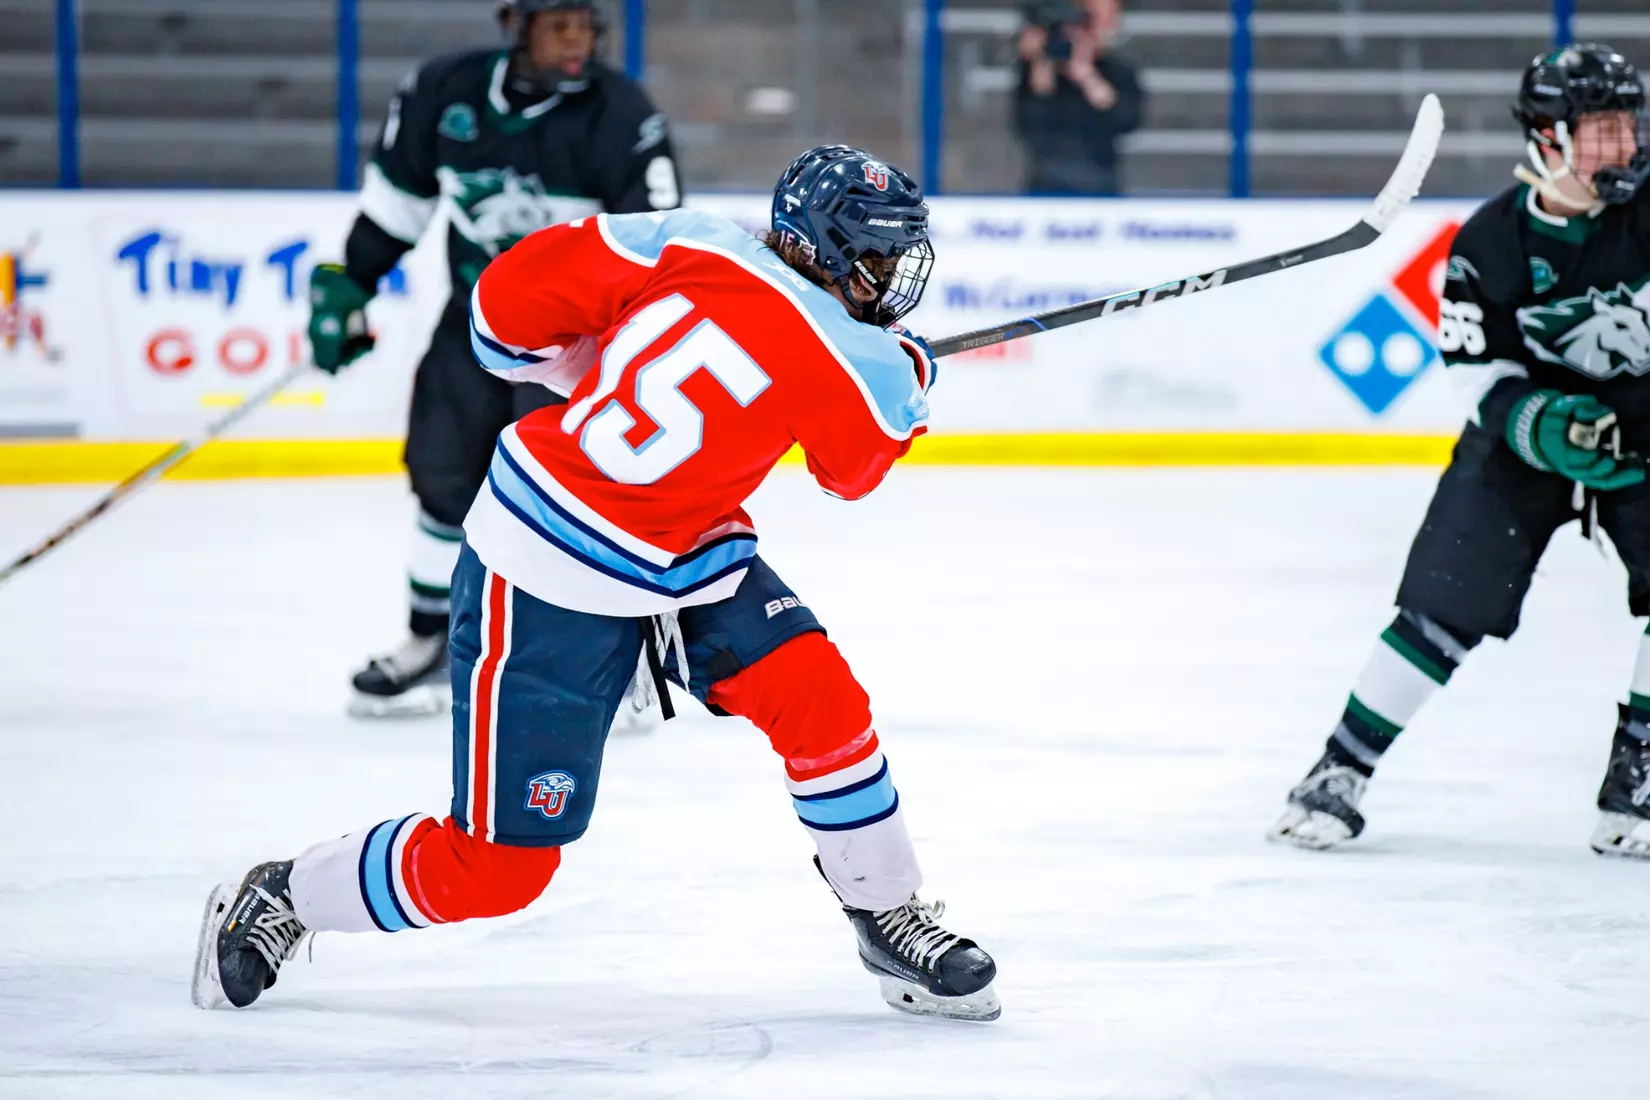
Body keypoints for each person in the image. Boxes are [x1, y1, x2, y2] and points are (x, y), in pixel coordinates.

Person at [191, 145, 1002, 1022]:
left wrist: (587, 375)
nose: (889, 279)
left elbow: (502, 307)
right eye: (876, 258)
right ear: (826, 249)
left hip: (688, 555)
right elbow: (853, 471)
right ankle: (285, 896)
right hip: (550, 568)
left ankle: (885, 911)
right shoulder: (857, 356)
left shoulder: (694, 240)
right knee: (497, 870)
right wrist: (908, 372)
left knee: (820, 700)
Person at [1269, 44, 1650, 858]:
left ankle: (1639, 780)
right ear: (1548, 136)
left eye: (1628, 126)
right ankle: (1340, 770)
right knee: (1444, 598)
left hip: (1644, 433)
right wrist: (1542, 425)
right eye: (1601, 129)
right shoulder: (1489, 241)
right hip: (1526, 441)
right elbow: (1479, 373)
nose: (1622, 146)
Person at [307, 0, 683, 718]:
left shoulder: (621, 113)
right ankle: (431, 640)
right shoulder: (442, 93)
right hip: (474, 328)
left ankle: (593, 663)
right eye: (559, 26)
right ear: (515, 23)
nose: (578, 42)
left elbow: (656, 245)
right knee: (443, 476)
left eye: (587, 27)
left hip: (576, 347)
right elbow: (398, 206)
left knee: (570, 501)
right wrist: (351, 282)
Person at [1012, 0, 1145, 196]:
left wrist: (1087, 76)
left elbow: (1127, 121)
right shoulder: (1035, 73)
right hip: (1046, 179)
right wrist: (1042, 63)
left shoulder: (1118, 72)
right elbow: (1029, 124)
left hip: (1100, 178)